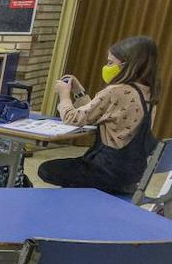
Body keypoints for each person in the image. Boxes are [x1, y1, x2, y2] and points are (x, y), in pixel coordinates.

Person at [39, 36, 159, 195]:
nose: (106, 67)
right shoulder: (148, 92)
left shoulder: (116, 91)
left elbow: (72, 118)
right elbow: (95, 113)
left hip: (105, 171)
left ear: (127, 65)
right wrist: (79, 91)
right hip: (131, 174)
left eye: (110, 63)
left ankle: (80, 202)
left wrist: (64, 95)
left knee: (46, 169)